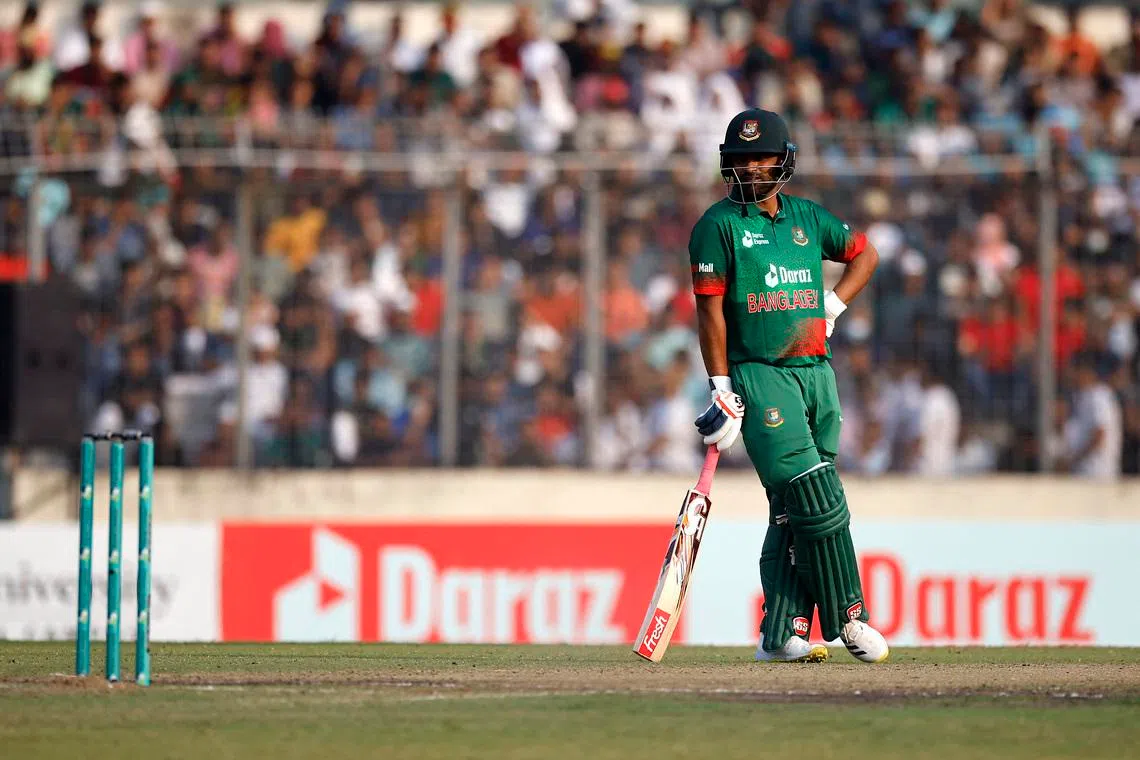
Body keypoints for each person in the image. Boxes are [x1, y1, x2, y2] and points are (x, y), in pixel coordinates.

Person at [689, 108, 889, 664]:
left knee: (791, 510)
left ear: (783, 160)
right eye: (741, 158)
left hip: (816, 374)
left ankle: (783, 633)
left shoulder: (807, 217)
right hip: (761, 372)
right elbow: (711, 315)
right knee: (817, 497)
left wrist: (831, 307)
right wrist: (722, 385)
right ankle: (850, 619)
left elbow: (865, 254)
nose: (751, 167)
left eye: (762, 157)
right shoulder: (716, 226)